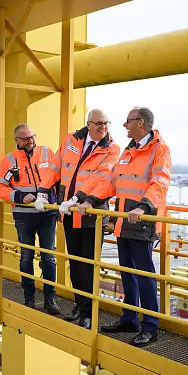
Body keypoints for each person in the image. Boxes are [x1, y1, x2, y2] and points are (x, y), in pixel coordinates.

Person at [76, 107, 171, 347]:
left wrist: (144, 208)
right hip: (123, 219)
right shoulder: (129, 151)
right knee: (127, 272)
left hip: (142, 221)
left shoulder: (159, 150)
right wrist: (90, 200)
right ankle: (130, 318)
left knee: (143, 274)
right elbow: (111, 181)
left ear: (140, 123)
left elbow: (160, 182)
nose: (124, 126)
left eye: (128, 122)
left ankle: (150, 326)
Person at [51, 109, 121, 329]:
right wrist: (47, 192)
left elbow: (101, 177)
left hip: (91, 214)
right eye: (98, 123)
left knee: (89, 265)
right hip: (70, 214)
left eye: (106, 123)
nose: (103, 127)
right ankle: (80, 305)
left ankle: (88, 313)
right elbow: (56, 168)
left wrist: (79, 198)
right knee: (75, 262)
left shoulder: (111, 148)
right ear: (88, 124)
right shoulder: (72, 141)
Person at [0, 124, 60, 315]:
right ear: (16, 140)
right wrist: (19, 197)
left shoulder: (47, 152)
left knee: (49, 257)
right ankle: (29, 299)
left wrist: (57, 205)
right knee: (26, 256)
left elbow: (58, 178)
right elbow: (0, 188)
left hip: (47, 213)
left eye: (32, 137)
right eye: (25, 139)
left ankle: (50, 299)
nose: (30, 141)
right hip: (24, 215)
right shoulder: (8, 161)